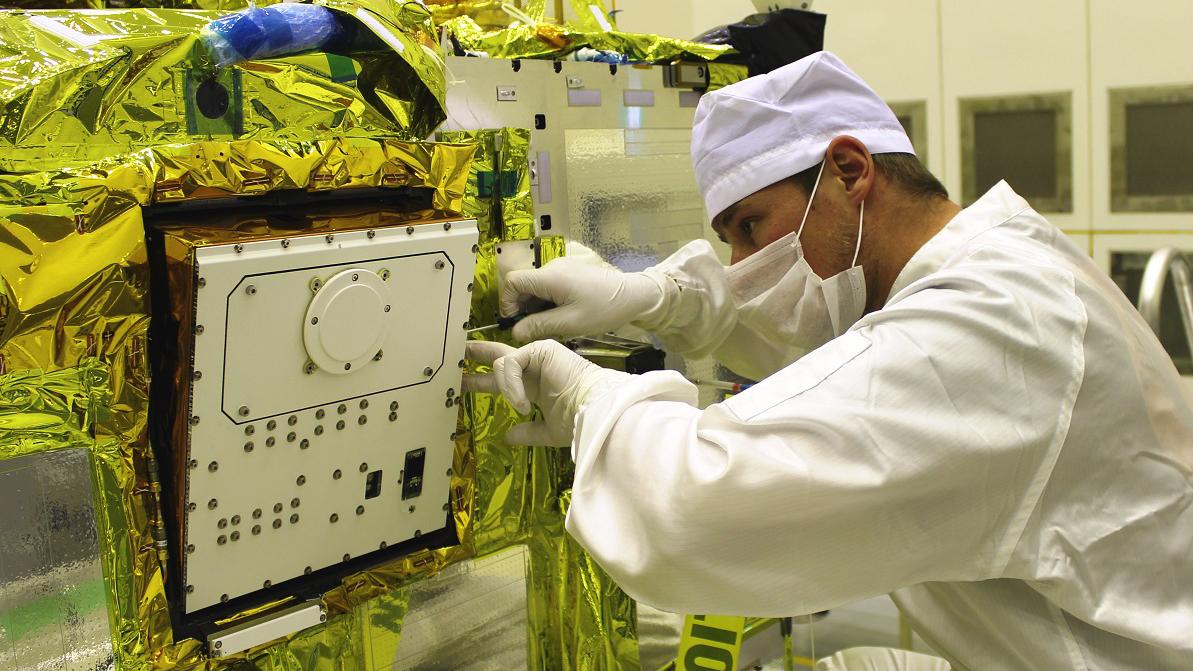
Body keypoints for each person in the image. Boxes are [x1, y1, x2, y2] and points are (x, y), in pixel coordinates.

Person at [465, 51, 1193, 669]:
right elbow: (811, 336)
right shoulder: (995, 264)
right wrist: (657, 297)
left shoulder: (990, 324)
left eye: (751, 227)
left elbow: (703, 507)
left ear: (848, 170)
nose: (743, 267)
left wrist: (590, 402)